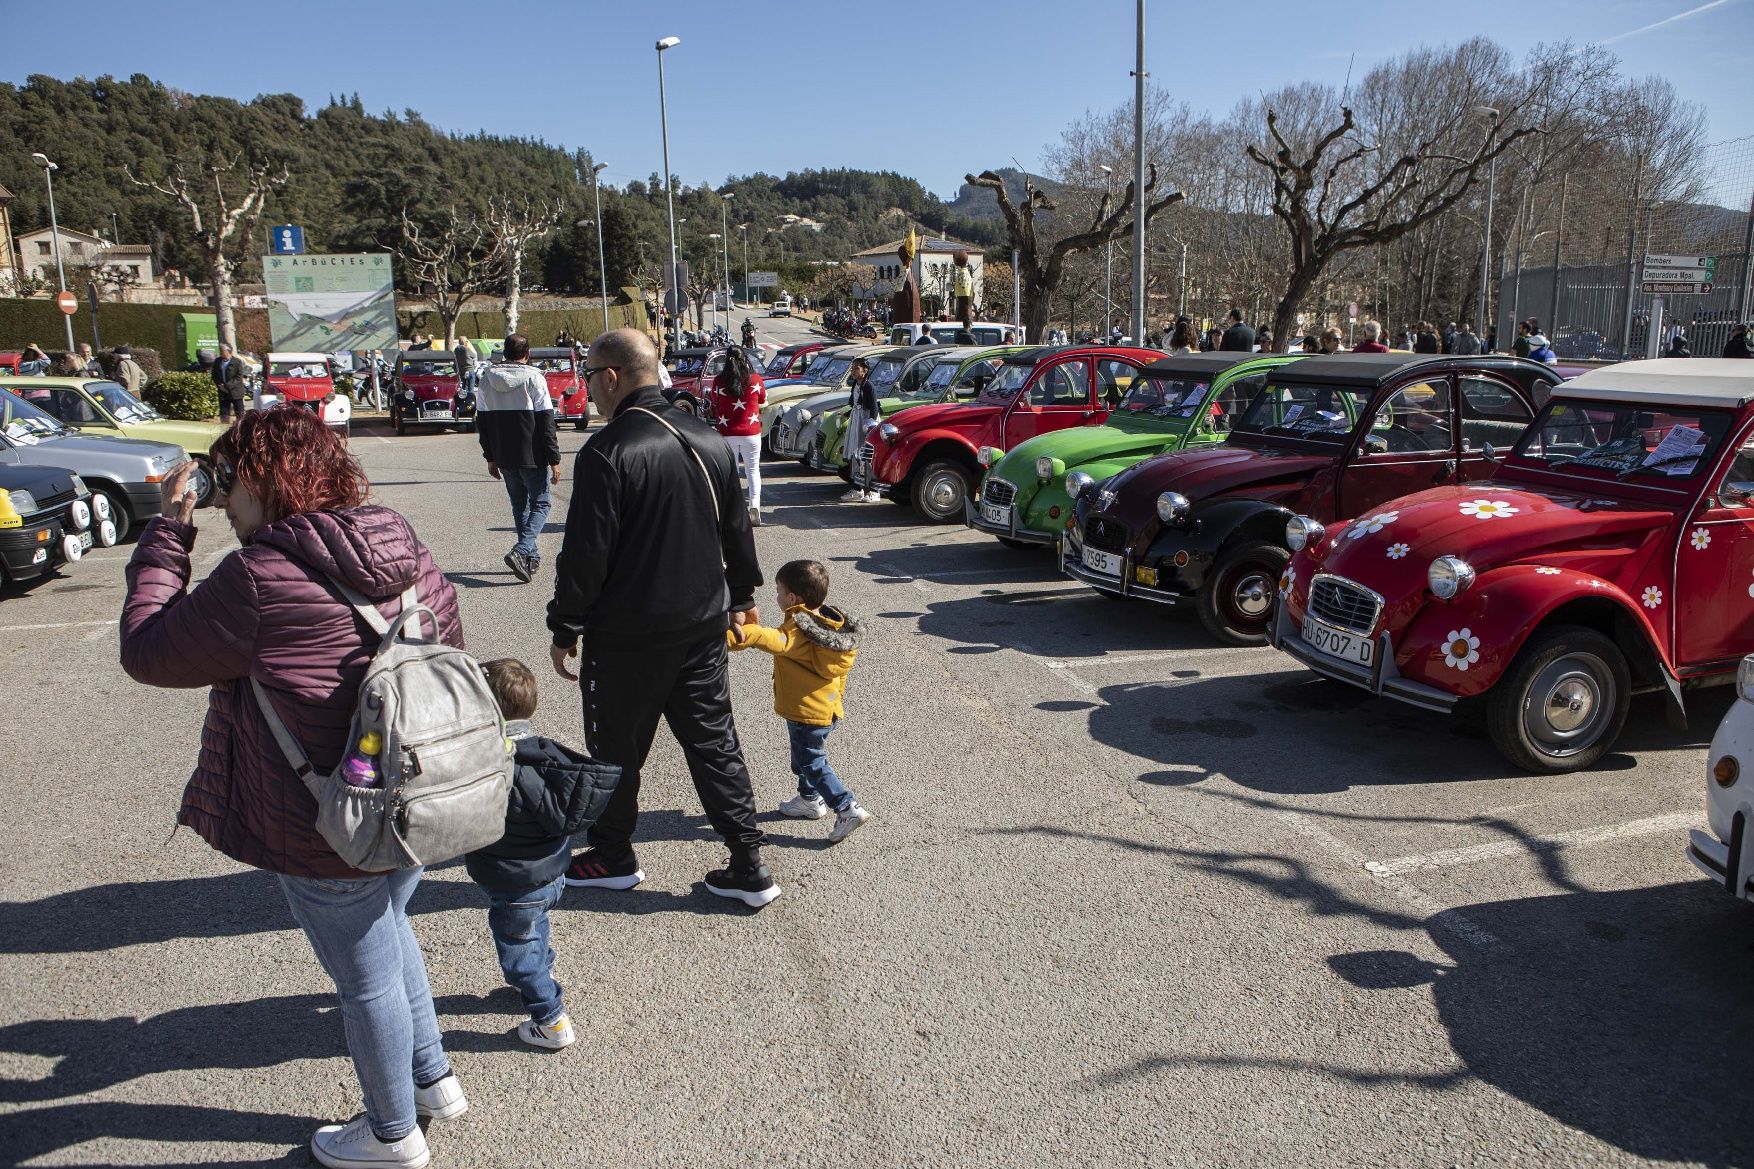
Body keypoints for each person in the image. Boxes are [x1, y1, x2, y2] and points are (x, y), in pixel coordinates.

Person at [119, 407, 465, 1169]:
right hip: (414, 795)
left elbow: (148, 649)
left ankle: (390, 1132)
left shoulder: (260, 575)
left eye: (229, 482)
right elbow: (448, 645)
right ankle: (431, 1078)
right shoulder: (398, 539)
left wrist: (166, 538)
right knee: (389, 930)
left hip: (326, 815)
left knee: (363, 975)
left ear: (264, 480)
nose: (222, 502)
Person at [548, 328, 777, 908]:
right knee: (713, 742)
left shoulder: (607, 451)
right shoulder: (708, 437)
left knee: (615, 746)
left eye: (589, 378)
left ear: (611, 378)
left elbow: (585, 555)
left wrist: (565, 623)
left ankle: (613, 854)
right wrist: (743, 592)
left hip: (627, 633)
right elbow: (737, 529)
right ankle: (748, 862)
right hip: (701, 624)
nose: (588, 391)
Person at [464, 658, 619, 1051]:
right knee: (535, 928)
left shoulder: (497, 768)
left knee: (517, 948)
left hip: (514, 882)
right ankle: (539, 975)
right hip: (552, 874)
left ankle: (549, 1018)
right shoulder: (546, 758)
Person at [728, 559, 870, 842]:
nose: (777, 596)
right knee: (804, 760)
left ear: (792, 598)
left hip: (807, 712)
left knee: (812, 762)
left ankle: (846, 807)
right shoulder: (826, 623)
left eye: (779, 591)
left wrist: (740, 636)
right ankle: (809, 800)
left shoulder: (798, 625)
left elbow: (778, 640)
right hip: (826, 708)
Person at [477, 333, 561, 583]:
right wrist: (554, 458)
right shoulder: (535, 378)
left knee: (519, 506)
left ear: (505, 352)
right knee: (542, 503)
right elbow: (546, 422)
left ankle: (530, 557)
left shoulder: (487, 379)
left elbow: (482, 422)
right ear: (527, 354)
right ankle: (522, 550)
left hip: (504, 454)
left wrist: (490, 456)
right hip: (532, 454)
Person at [708, 345, 767, 524]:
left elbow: (714, 401)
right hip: (752, 432)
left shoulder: (718, 381)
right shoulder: (755, 380)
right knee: (753, 470)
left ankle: (733, 510)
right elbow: (763, 399)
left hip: (727, 432)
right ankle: (754, 506)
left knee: (731, 472)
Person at [840, 357, 881, 503]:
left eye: (856, 368)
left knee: (867, 455)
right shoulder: (856, 385)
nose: (853, 371)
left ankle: (875, 491)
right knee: (856, 455)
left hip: (866, 421)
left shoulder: (869, 386)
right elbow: (854, 403)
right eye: (852, 368)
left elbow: (874, 408)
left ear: (865, 370)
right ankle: (858, 489)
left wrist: (870, 426)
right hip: (856, 420)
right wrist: (845, 414)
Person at [211, 343, 250, 422]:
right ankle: (224, 429)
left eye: (222, 350)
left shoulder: (237, 362)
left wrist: (226, 386)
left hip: (236, 392)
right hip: (222, 392)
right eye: (220, 350)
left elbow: (239, 377)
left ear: (228, 351)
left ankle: (240, 429)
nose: (220, 352)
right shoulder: (217, 361)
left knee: (240, 413)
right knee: (224, 413)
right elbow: (214, 375)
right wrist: (219, 385)